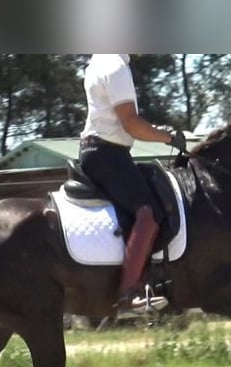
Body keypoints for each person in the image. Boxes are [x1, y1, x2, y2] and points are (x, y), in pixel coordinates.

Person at [79, 54, 187, 312]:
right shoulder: (115, 66)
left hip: (102, 152)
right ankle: (129, 292)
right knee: (148, 213)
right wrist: (168, 137)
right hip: (108, 154)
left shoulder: (99, 61)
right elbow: (131, 124)